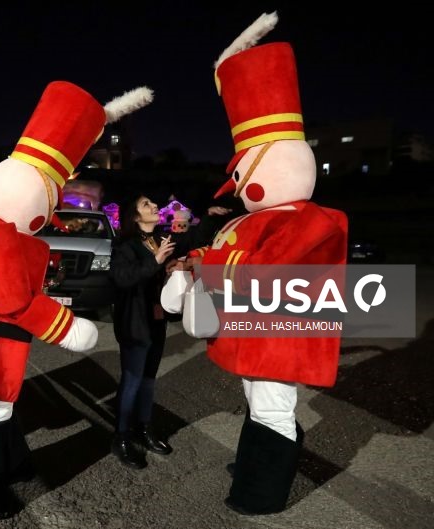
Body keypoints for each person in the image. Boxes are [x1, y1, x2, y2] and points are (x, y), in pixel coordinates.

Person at [0, 81, 153, 520]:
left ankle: (15, 463)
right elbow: (15, 301)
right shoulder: (3, 238)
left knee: (1, 408)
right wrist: (69, 327)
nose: (51, 209)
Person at [164, 13, 348, 515]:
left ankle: (262, 491)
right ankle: (256, 464)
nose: (239, 183)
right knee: (260, 405)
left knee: (273, 411)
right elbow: (220, 251)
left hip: (280, 336)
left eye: (244, 171)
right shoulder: (258, 218)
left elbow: (265, 272)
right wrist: (193, 262)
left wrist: (203, 269)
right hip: (256, 333)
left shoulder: (313, 221)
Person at [109, 194, 178, 469]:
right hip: (134, 322)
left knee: (149, 379)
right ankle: (121, 436)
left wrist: (173, 266)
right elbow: (122, 279)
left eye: (153, 203)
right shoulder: (125, 245)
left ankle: (145, 428)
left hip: (156, 320)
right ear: (136, 216)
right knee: (133, 379)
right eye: (147, 204)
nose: (155, 207)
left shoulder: (161, 240)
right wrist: (156, 261)